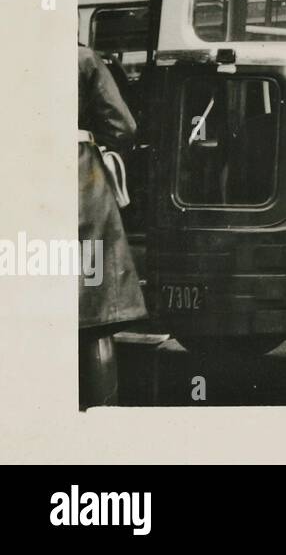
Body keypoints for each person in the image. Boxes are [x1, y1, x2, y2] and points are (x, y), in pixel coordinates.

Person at [78, 45, 148, 408]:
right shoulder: (83, 60)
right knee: (93, 316)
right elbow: (123, 126)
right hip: (80, 193)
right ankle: (102, 417)